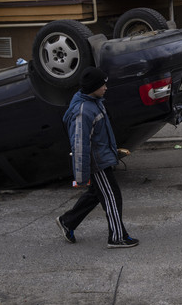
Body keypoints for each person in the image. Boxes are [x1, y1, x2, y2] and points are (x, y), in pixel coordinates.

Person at [56, 67, 139, 248]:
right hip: (97, 163)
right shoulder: (83, 111)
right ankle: (117, 237)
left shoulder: (94, 101)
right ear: (93, 86)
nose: (106, 88)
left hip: (101, 157)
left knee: (96, 194)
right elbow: (79, 146)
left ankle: (68, 221)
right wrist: (81, 177)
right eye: (103, 84)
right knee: (112, 196)